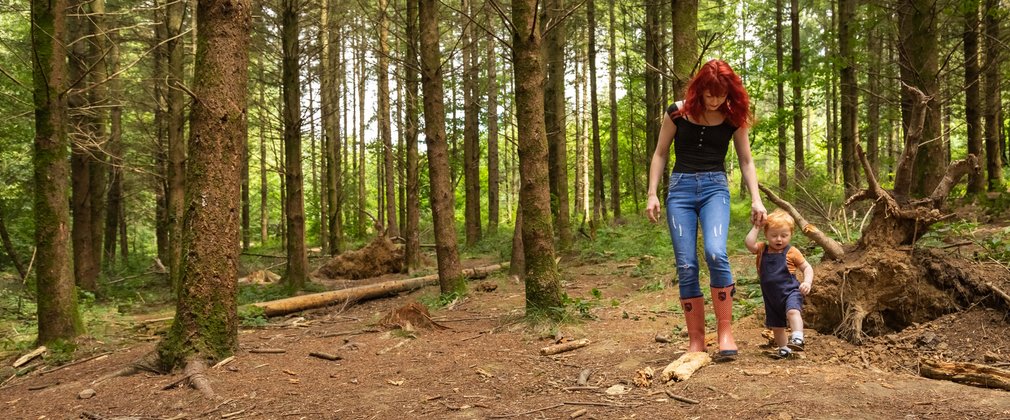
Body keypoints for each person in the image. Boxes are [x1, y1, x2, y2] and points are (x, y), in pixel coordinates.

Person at [646, 59, 767, 359]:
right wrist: (652, 193)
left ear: (729, 92)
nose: (714, 101)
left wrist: (756, 198)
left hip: (715, 188)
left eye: (721, 95)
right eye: (709, 94)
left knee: (716, 252)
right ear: (699, 89)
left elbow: (746, 160)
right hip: (681, 190)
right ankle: (696, 340)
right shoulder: (677, 112)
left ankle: (725, 333)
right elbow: (660, 153)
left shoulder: (733, 118)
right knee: (686, 264)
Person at [745, 209, 814, 359]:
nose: (779, 239)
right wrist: (756, 226)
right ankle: (784, 349)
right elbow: (749, 244)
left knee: (793, 312)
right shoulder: (763, 249)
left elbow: (807, 267)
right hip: (771, 296)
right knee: (777, 326)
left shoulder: (792, 252)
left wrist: (807, 282)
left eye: (784, 235)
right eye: (774, 235)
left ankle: (797, 337)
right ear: (766, 235)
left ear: (791, 235)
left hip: (790, 291)